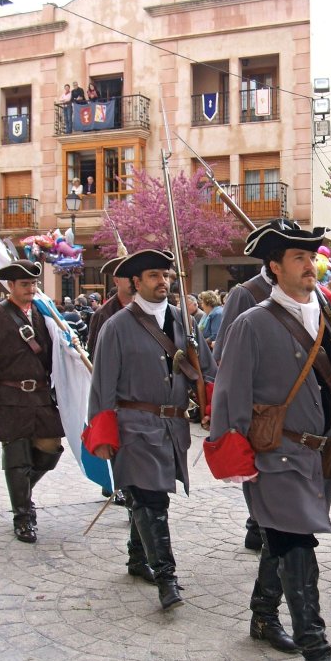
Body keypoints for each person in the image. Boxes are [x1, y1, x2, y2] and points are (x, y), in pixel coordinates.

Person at [206, 220, 331, 661]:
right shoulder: (251, 323)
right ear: (274, 266)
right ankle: (318, 654)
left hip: (321, 455)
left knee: (283, 538)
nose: (310, 266)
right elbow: (229, 394)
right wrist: (237, 457)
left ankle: (263, 615)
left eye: (312, 257)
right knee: (297, 546)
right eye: (298, 258)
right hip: (275, 454)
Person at [85, 249, 217, 610]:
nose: (163, 282)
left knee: (147, 494)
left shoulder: (184, 322)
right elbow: (102, 386)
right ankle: (166, 577)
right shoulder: (116, 327)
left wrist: (213, 407)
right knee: (152, 498)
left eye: (166, 275)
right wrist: (103, 435)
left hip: (173, 426)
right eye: (154, 276)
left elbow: (207, 373)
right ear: (136, 282)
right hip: (134, 426)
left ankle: (136, 556)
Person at [0, 260, 65, 544]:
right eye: (25, 284)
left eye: (34, 284)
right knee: (17, 457)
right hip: (8, 395)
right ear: (11, 286)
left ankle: (22, 492)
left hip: (40, 395)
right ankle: (23, 517)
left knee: (50, 447)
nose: (31, 289)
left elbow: (57, 352)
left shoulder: (44, 313)